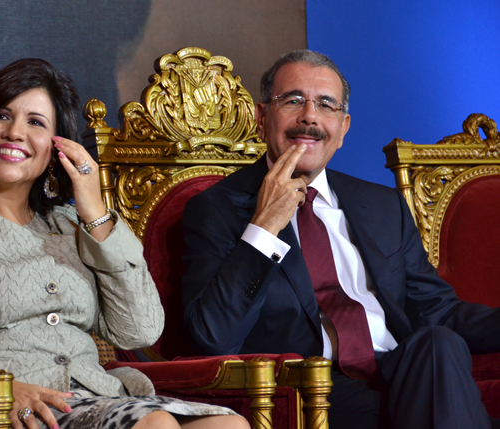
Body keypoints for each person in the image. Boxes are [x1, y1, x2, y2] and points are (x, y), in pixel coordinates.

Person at [0, 58, 248, 429]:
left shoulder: (71, 224)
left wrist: (95, 213)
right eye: (1, 115)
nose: (15, 132)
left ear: (57, 147)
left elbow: (140, 330)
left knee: (228, 424)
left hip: (96, 396)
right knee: (156, 423)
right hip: (2, 409)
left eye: (35, 122)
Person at [182, 50, 500, 429]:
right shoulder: (217, 209)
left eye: (326, 105)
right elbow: (213, 336)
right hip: (311, 388)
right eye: (293, 100)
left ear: (343, 127)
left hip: (401, 371)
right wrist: (264, 227)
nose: (310, 116)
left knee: (438, 343)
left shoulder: (382, 205)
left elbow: (438, 310)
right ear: (262, 117)